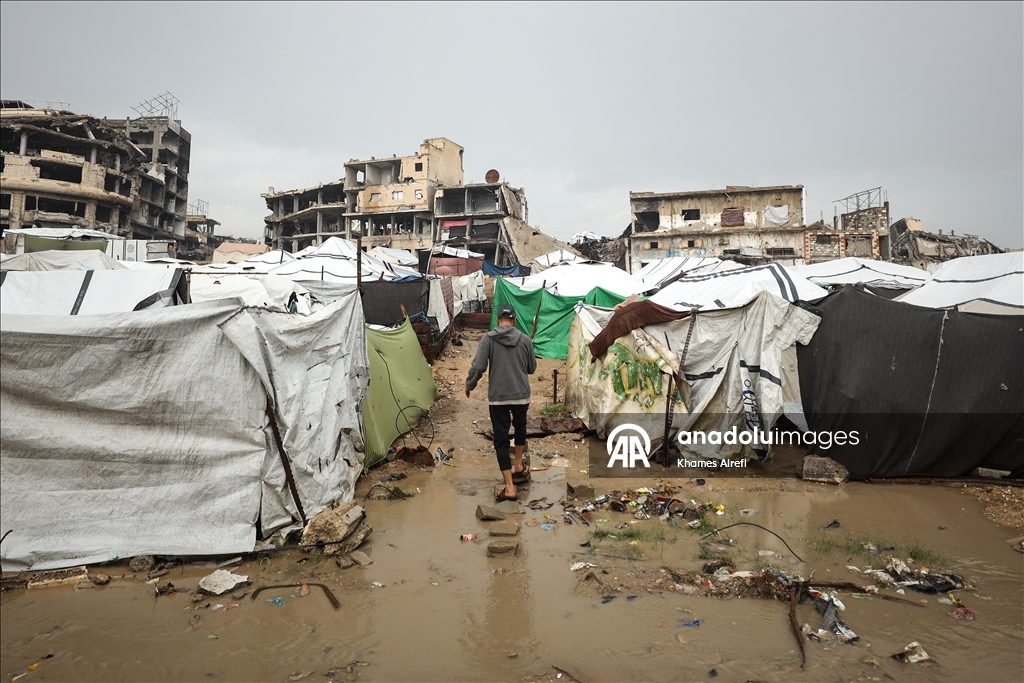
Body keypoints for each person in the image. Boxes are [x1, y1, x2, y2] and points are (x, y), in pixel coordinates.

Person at [466, 303, 536, 501]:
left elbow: (478, 366)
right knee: (520, 428)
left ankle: (510, 487)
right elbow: (531, 368)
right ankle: (519, 465)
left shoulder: (488, 339)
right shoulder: (525, 340)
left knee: (501, 440)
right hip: (521, 395)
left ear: (498, 320)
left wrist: (469, 385)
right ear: (513, 321)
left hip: (498, 398)